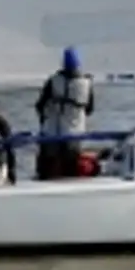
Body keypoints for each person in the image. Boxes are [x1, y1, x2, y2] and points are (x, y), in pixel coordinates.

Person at [34, 46, 93, 181]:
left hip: (51, 132)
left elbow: (40, 105)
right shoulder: (86, 83)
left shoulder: (54, 80)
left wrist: (43, 120)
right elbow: (89, 109)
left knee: (46, 171)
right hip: (74, 133)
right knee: (70, 171)